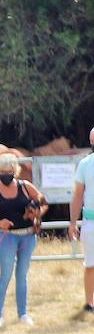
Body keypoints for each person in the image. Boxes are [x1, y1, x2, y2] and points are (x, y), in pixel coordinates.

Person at [0, 153, 47, 327]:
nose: (7, 173)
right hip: (7, 236)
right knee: (5, 275)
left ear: (15, 170)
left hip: (27, 235)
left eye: (10, 170)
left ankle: (23, 313)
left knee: (22, 275)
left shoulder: (25, 186)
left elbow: (43, 201)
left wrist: (37, 213)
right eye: (3, 170)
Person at [73, 129, 94, 313]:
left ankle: (89, 302)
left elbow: (78, 195)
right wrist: (73, 222)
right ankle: (89, 303)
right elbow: (78, 195)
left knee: (90, 264)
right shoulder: (85, 164)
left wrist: (73, 222)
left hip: (90, 221)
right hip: (90, 220)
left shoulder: (84, 164)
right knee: (90, 264)